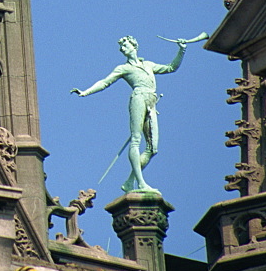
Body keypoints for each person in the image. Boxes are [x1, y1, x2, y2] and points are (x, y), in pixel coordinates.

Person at [71, 36, 187, 193]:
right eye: (121, 47)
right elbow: (105, 82)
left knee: (153, 149)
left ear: (134, 46)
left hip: (151, 102)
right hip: (138, 98)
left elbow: (171, 67)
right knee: (136, 140)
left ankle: (130, 181)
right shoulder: (123, 68)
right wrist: (85, 92)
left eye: (125, 45)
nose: (122, 49)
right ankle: (140, 183)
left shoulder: (148, 64)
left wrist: (182, 50)